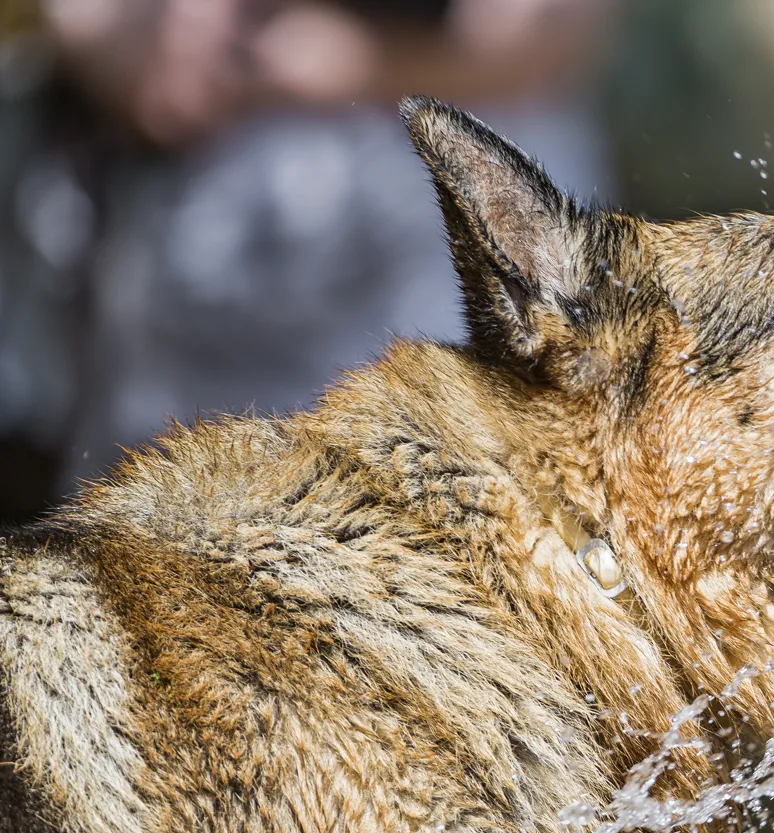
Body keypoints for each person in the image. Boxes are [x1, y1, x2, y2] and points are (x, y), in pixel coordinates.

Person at [0, 0, 614, 523]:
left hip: (425, 221)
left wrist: (342, 63)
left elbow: (544, 29)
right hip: (170, 270)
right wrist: (129, 50)